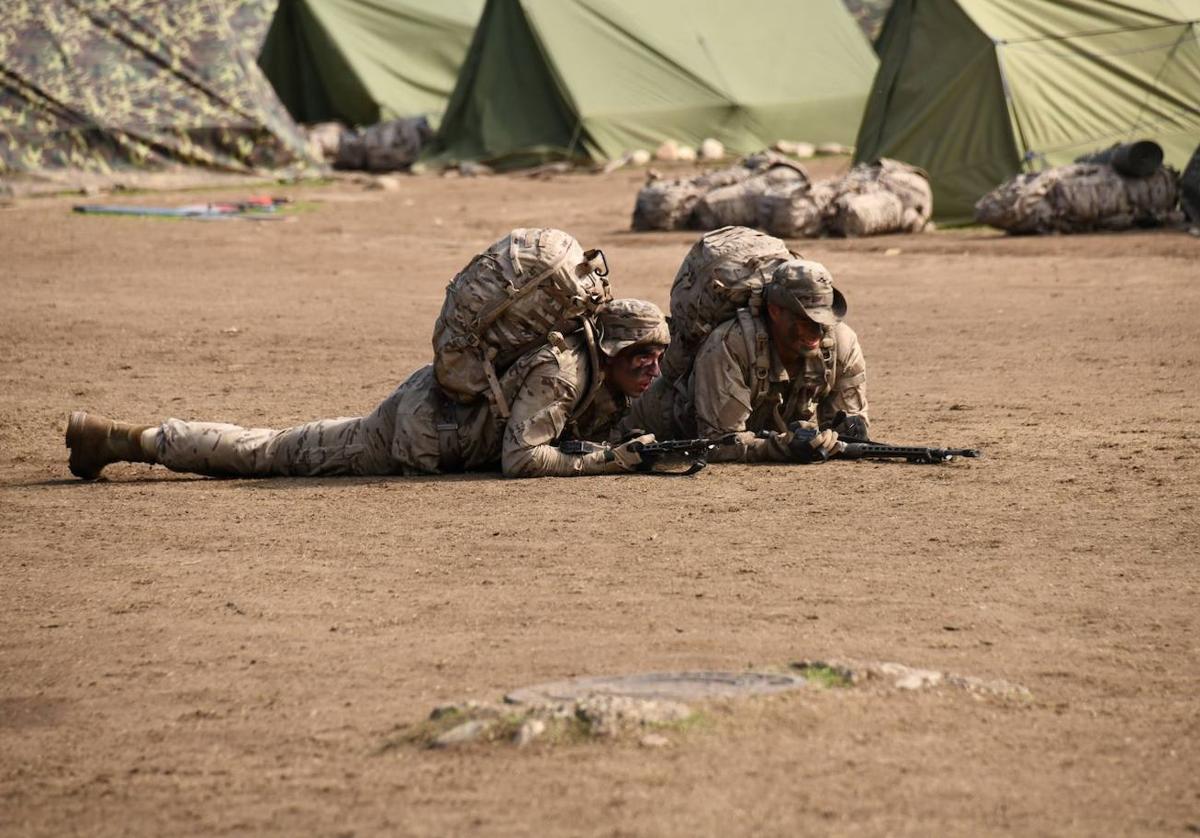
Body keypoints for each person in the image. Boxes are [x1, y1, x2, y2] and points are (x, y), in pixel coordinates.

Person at [66, 298, 669, 481]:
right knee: (273, 453)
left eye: (658, 357)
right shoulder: (563, 371)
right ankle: (120, 439)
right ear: (609, 352)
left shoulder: (597, 375)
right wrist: (611, 463)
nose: (651, 368)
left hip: (439, 422)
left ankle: (121, 439)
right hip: (416, 432)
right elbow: (522, 457)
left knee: (275, 449)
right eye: (640, 355)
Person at [620, 259, 868, 463]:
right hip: (651, 430)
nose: (816, 330)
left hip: (758, 429)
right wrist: (784, 448)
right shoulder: (730, 344)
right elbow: (718, 443)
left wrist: (846, 433)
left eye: (823, 319)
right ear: (775, 311)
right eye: (804, 319)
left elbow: (847, 428)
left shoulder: (841, 343)